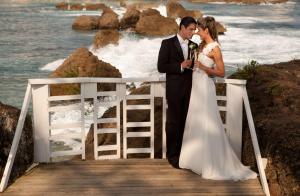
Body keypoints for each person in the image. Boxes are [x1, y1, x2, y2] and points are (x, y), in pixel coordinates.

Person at [179, 16, 257, 180]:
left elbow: (221, 72)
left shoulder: (215, 48)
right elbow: (196, 64)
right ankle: (196, 162)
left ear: (206, 30)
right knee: (197, 121)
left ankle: (212, 163)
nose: (197, 33)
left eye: (199, 30)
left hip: (206, 88)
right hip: (196, 87)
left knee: (208, 122)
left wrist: (204, 67)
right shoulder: (201, 45)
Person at [157, 16, 197, 169]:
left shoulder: (194, 45)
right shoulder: (167, 43)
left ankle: (183, 155)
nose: (192, 33)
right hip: (174, 90)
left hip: (190, 90)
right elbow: (161, 66)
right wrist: (180, 66)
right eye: (190, 29)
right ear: (182, 27)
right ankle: (172, 156)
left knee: (186, 123)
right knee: (173, 123)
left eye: (194, 30)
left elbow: (194, 66)